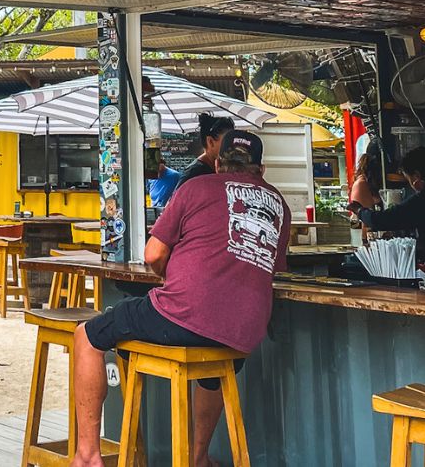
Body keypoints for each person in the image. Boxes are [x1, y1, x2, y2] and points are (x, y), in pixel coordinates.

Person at [70, 131, 290, 467]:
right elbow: (272, 268)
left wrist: (175, 274)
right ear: (261, 170)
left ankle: (87, 458)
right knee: (214, 367)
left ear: (218, 163)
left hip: (183, 313)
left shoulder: (196, 187)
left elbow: (153, 253)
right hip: (243, 333)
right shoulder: (279, 204)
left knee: (86, 336)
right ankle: (197, 458)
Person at [173, 114, 235, 195]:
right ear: (210, 142)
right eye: (228, 141)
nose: (233, 146)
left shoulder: (223, 168)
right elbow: (174, 204)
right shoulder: (194, 174)